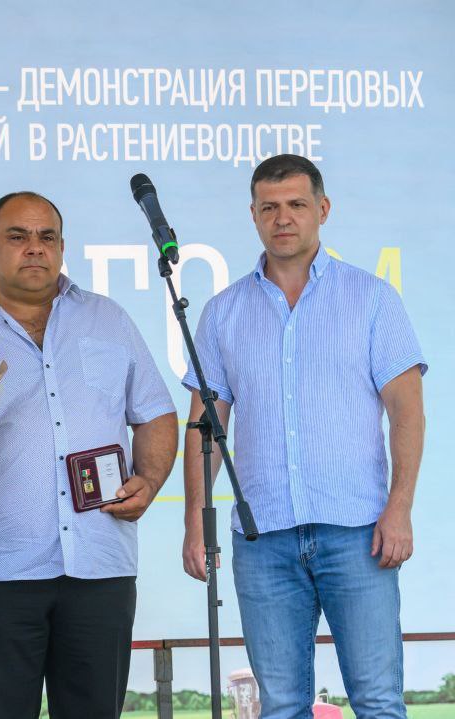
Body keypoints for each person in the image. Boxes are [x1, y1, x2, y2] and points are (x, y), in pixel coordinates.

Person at [0, 191, 178, 719]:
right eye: (17, 236)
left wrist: (148, 478)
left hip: (99, 564)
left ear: (62, 248)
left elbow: (155, 413)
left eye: (46, 237)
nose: (35, 248)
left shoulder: (108, 319)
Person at [181, 154, 425, 719]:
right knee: (281, 707)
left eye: (296, 204)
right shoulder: (223, 312)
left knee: (378, 702)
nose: (283, 218)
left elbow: (407, 414)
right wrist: (195, 518)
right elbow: (205, 428)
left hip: (358, 533)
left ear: (323, 209)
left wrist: (400, 509)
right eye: (269, 207)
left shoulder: (371, 298)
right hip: (262, 539)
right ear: (253, 214)